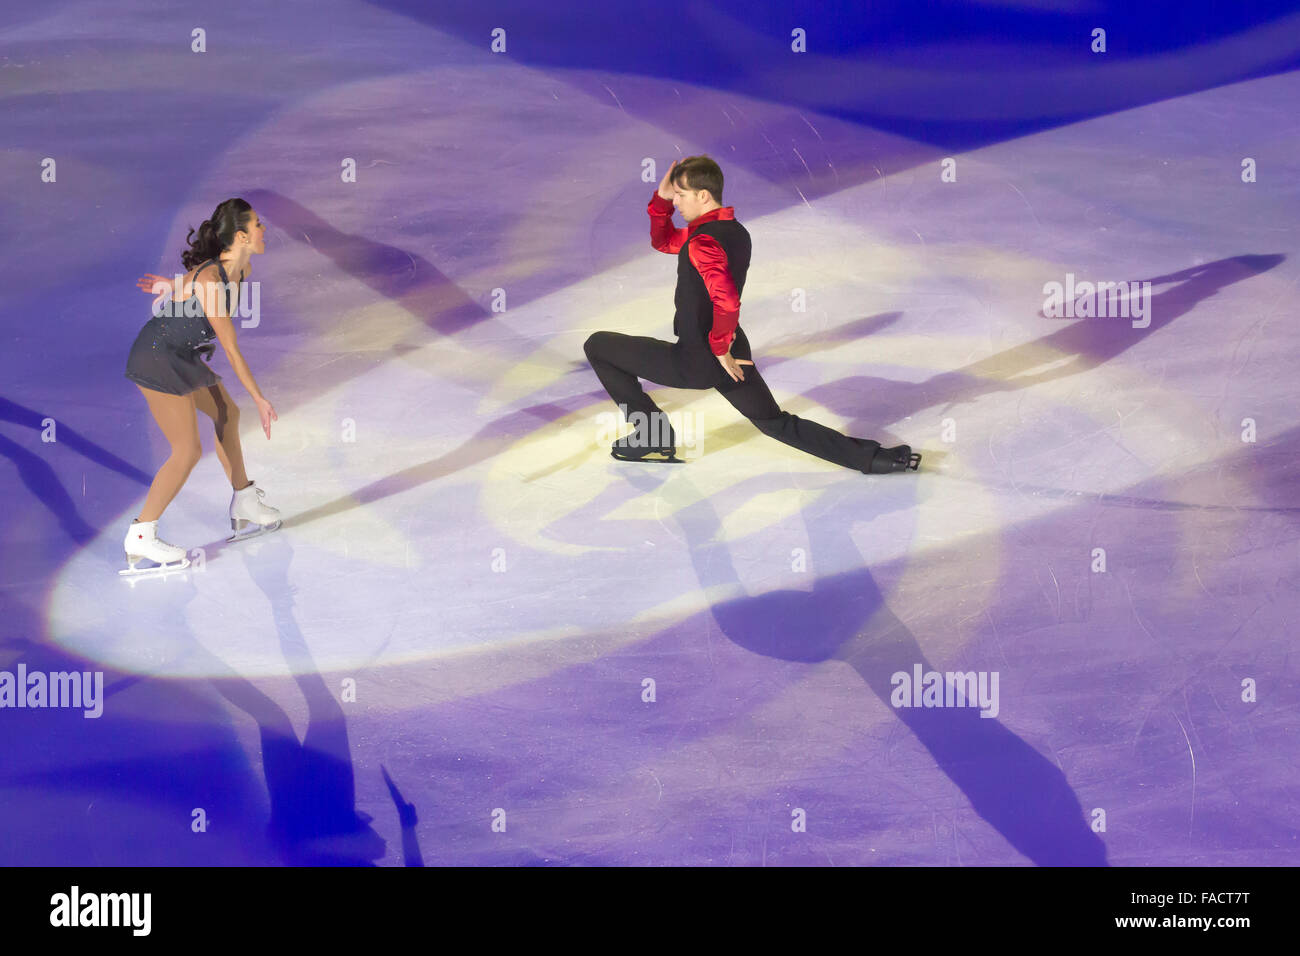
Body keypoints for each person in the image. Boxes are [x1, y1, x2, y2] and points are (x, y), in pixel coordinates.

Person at [583, 155, 920, 473]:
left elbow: (726, 301)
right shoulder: (733, 231)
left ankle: (651, 436)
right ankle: (875, 459)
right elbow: (665, 241)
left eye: (680, 195)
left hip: (698, 359)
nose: (676, 202)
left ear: (702, 195)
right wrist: (660, 200)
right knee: (775, 422)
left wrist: (718, 349)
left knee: (598, 346)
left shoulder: (702, 242)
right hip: (733, 351)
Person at [121, 198, 281, 575]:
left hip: (182, 353)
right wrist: (260, 397)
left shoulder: (240, 271)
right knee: (187, 450)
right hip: (157, 356)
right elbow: (230, 347)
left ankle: (244, 500)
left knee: (227, 413)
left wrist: (175, 285)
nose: (263, 230)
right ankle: (141, 534)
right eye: (258, 225)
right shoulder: (212, 281)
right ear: (241, 236)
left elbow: (201, 284)